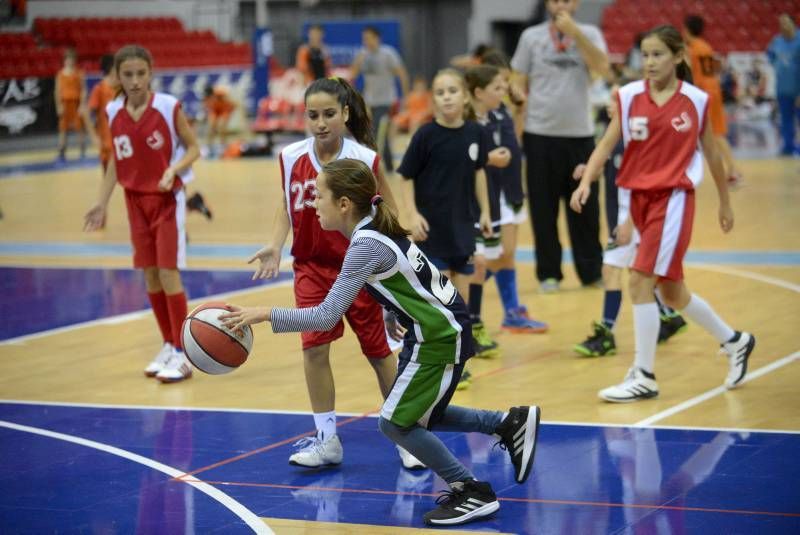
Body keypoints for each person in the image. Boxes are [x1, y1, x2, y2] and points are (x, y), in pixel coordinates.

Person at [220, 158, 541, 527]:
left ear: (344, 204)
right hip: (435, 328)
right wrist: (393, 310)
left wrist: (263, 314)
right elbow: (405, 278)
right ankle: (507, 423)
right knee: (420, 415)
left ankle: (471, 489)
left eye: (318, 196)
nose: (312, 204)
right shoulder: (373, 229)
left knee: (394, 424)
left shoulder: (364, 245)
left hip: (439, 335)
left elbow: (325, 316)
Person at [570, 25, 755, 402]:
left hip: (673, 199)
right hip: (638, 199)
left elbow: (713, 155)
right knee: (671, 292)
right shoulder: (627, 96)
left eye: (658, 54)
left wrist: (724, 200)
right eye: (645, 55)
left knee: (638, 280)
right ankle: (735, 341)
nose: (649, 62)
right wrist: (586, 180)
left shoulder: (696, 101)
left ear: (677, 57)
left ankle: (645, 375)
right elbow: (606, 144)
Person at [246, 77, 422, 470]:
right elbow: (286, 202)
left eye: (329, 114)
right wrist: (275, 243)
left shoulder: (364, 158)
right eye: (313, 115)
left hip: (360, 269)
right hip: (310, 266)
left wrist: (399, 266)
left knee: (379, 353)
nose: (321, 122)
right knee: (314, 349)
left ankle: (407, 436)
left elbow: (389, 212)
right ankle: (327, 440)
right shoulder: (291, 156)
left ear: (345, 113)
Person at [83, 45, 200, 383]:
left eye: (140, 74)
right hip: (134, 202)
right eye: (127, 74)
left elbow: (194, 148)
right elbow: (116, 163)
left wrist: (173, 168)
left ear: (150, 73)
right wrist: (102, 202)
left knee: (167, 274)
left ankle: (183, 352)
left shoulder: (167, 106)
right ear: (117, 77)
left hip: (165, 200)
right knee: (149, 275)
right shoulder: (112, 110)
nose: (134, 81)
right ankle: (167, 343)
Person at [572, 83, 687, 358]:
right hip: (625, 216)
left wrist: (629, 224)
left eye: (616, 98)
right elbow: (608, 169)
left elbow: (640, 185)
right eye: (612, 99)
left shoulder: (634, 141)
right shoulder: (615, 136)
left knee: (612, 270)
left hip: (633, 218)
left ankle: (606, 334)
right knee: (640, 273)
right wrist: (589, 172)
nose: (611, 103)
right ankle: (669, 316)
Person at [398, 68, 495, 377]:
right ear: (434, 100)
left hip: (463, 228)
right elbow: (404, 176)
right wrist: (412, 215)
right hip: (432, 231)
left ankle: (459, 362)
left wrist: (486, 211)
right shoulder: (426, 135)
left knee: (460, 304)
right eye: (440, 92)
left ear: (465, 96)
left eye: (452, 90)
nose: (446, 97)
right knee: (440, 301)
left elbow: (480, 172)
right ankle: (438, 358)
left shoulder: (476, 133)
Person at [510, 0, 608, 293]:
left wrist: (575, 34)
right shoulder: (531, 37)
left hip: (580, 135)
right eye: (555, 0)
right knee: (543, 209)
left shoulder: (589, 33)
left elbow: (603, 69)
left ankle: (591, 272)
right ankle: (548, 274)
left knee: (586, 209)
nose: (560, 4)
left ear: (575, 3)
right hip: (539, 134)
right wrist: (516, 100)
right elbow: (517, 79)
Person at [466, 64, 548, 335]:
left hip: (509, 190)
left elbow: (515, 139)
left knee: (505, 254)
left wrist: (520, 106)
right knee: (492, 258)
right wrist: (490, 159)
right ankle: (458, 303)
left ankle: (509, 311)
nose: (504, 91)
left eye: (505, 84)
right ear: (480, 91)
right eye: (499, 86)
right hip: (487, 196)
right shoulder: (470, 120)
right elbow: (467, 159)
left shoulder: (499, 112)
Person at [683, 15, 745, 187]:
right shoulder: (706, 46)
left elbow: (691, 75)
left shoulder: (692, 49)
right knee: (716, 133)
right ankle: (732, 171)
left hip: (703, 93)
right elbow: (714, 71)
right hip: (714, 91)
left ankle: (732, 171)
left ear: (687, 30)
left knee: (713, 134)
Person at [350, 26, 410, 174]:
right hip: (369, 101)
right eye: (364, 39)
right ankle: (389, 167)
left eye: (369, 38)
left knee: (378, 132)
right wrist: (358, 61)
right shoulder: (362, 54)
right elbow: (353, 73)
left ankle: (372, 167)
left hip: (386, 101)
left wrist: (406, 96)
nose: (366, 41)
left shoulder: (388, 54)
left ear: (377, 38)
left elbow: (402, 74)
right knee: (375, 132)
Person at [767, 13, 800, 157]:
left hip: (798, 89)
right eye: (781, 23)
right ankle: (788, 147)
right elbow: (770, 56)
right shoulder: (777, 41)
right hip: (782, 88)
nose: (783, 26)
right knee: (785, 119)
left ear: (793, 24)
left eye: (786, 23)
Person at [55, 48, 89, 162]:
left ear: (74, 60)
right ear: (64, 60)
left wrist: (82, 105)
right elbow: (57, 91)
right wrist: (59, 106)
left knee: (79, 129)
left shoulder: (79, 73)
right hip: (65, 104)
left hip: (76, 103)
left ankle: (82, 151)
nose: (70, 61)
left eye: (72, 59)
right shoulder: (60, 74)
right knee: (63, 130)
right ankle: (62, 152)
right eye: (68, 59)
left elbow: (84, 89)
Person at [87, 54, 117, 173]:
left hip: (121, 139)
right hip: (106, 142)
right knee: (109, 179)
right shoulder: (99, 89)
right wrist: (94, 136)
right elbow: (86, 113)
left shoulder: (120, 88)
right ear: (110, 68)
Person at [202, 84, 236, 158]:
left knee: (222, 127)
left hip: (225, 109)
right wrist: (205, 115)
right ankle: (208, 146)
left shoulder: (220, 92)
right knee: (211, 127)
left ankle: (223, 145)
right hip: (215, 110)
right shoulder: (206, 97)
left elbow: (232, 101)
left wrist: (231, 107)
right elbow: (205, 107)